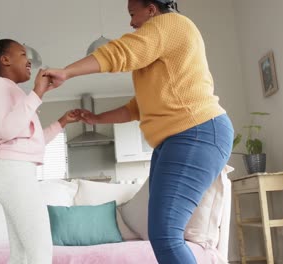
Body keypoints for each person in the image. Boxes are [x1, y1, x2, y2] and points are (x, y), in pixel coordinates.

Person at [43, 0, 234, 263]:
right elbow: (137, 108)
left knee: (165, 235)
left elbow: (120, 52)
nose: (131, 22)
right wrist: (97, 118)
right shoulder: (165, 45)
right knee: (161, 234)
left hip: (196, 131)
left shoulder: (169, 24)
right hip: (181, 137)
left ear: (152, 9)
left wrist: (67, 72)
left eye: (134, 14)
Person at [0, 35, 80, 264]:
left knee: (23, 254)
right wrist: (37, 94)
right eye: (23, 54)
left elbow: (30, 140)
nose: (30, 61)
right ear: (5, 60)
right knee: (40, 249)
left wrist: (61, 123)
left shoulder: (13, 92)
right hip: (12, 172)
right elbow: (7, 129)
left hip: (16, 171)